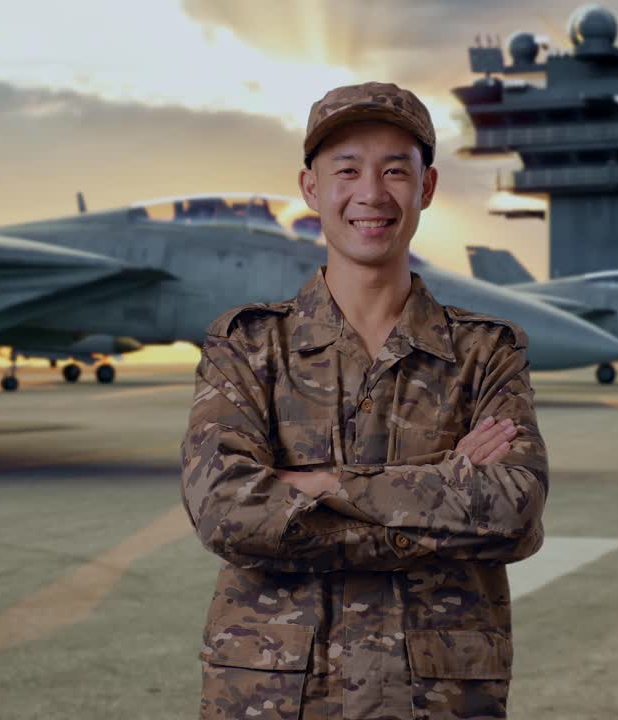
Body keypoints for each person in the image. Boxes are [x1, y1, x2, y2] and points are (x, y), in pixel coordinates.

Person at [180, 81, 548, 720]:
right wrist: (442, 491)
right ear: (311, 188)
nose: (371, 193)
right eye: (347, 170)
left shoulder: (487, 352)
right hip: (275, 696)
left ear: (426, 187)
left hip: (437, 700)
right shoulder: (248, 345)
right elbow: (226, 513)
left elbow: (513, 510)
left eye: (395, 171)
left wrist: (322, 485)